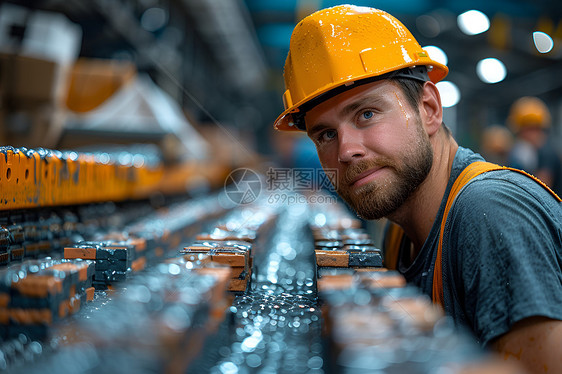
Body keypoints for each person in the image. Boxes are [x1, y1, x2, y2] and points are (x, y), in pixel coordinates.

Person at [273, 5, 562, 374]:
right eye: (326, 134)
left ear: (428, 108)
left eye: (366, 114)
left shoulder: (489, 212)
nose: (346, 151)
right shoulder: (400, 225)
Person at [507, 96, 562, 195]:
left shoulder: (546, 153)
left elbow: (540, 190)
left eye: (533, 129)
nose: (530, 135)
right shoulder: (528, 153)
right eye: (526, 129)